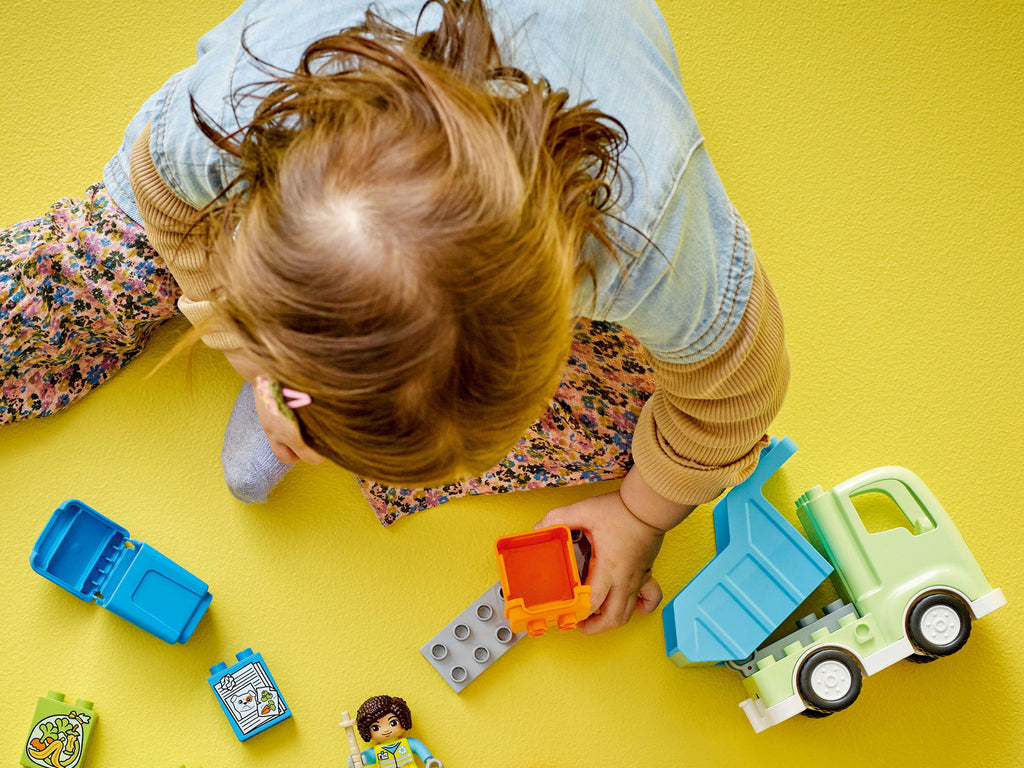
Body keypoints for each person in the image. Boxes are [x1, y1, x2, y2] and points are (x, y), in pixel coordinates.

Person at [0, 0, 788, 636]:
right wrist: (240, 342)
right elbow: (164, 195)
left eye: (300, 410)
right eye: (302, 403)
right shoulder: (220, 127)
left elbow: (739, 388)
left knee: (676, 443)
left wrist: (637, 514)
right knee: (83, 271)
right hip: (274, 160)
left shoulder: (650, 243)